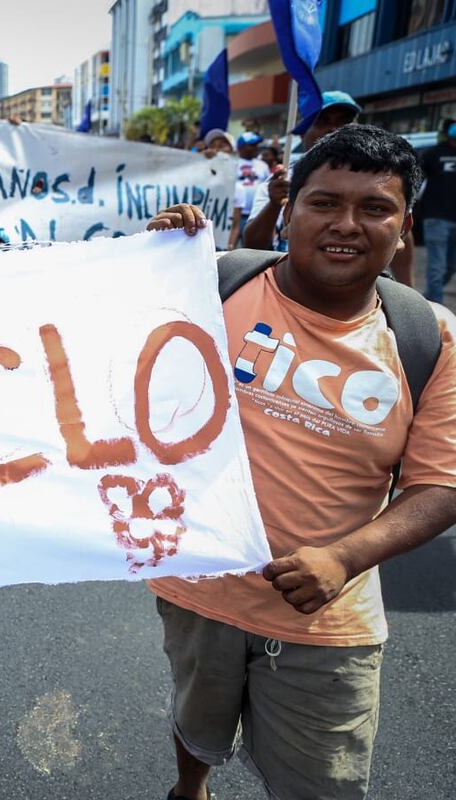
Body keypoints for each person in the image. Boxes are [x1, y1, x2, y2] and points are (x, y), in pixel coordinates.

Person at [146, 125, 456, 800]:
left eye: (375, 208)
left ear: (405, 227)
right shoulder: (213, 287)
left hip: (328, 621)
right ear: (289, 213)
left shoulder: (429, 338)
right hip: (196, 588)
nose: (346, 224)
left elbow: (440, 485)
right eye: (324, 202)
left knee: (322, 785)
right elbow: (105, 360)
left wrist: (343, 559)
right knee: (196, 718)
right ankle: (189, 789)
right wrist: (155, 258)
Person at [243, 90, 362, 252]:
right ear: (302, 131)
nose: (333, 129)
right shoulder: (282, 181)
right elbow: (253, 246)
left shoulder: (377, 180)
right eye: (322, 121)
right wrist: (274, 204)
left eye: (344, 122)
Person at [419, 118, 456, 303]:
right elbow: (415, 179)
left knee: (450, 266)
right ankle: (435, 309)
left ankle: (429, 297)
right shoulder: (434, 153)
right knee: (437, 267)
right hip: (436, 218)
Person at [228, 131, 271, 250]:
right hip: (236, 216)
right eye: (251, 145)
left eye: (256, 144)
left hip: (256, 215)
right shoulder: (230, 162)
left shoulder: (263, 165)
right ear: (241, 147)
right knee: (231, 250)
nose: (255, 147)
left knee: (252, 250)